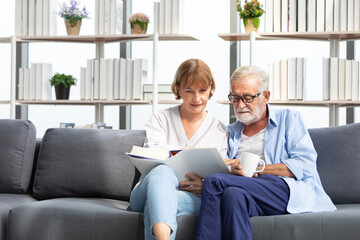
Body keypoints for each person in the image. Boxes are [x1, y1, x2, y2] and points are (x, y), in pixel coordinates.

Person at [194, 65, 337, 240]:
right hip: (247, 192)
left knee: (215, 182)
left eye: (247, 98)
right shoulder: (230, 132)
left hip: (283, 189)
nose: (240, 105)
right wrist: (231, 169)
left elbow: (305, 164)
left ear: (266, 96)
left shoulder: (289, 119)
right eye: (235, 98)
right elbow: (225, 167)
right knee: (232, 195)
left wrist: (258, 169)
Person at [129, 59, 228, 240]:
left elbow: (220, 173)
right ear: (178, 89)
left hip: (194, 197)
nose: (197, 98)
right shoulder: (160, 119)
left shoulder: (220, 130)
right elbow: (153, 160)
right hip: (146, 190)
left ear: (211, 89)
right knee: (162, 172)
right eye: (189, 91)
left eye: (202, 91)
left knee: (159, 203)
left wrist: (205, 184)